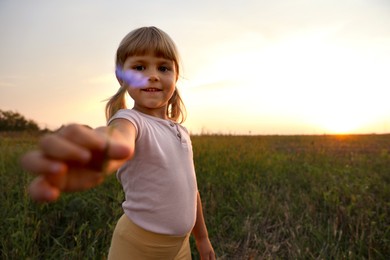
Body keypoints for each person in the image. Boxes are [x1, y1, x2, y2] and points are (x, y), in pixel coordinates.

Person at [21, 26, 215, 260]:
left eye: (163, 67)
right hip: (138, 246)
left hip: (180, 247)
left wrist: (202, 238)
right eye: (139, 67)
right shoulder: (130, 120)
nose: (152, 75)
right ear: (122, 76)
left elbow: (191, 190)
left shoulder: (181, 131)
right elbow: (118, 138)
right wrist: (99, 147)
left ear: (175, 75)